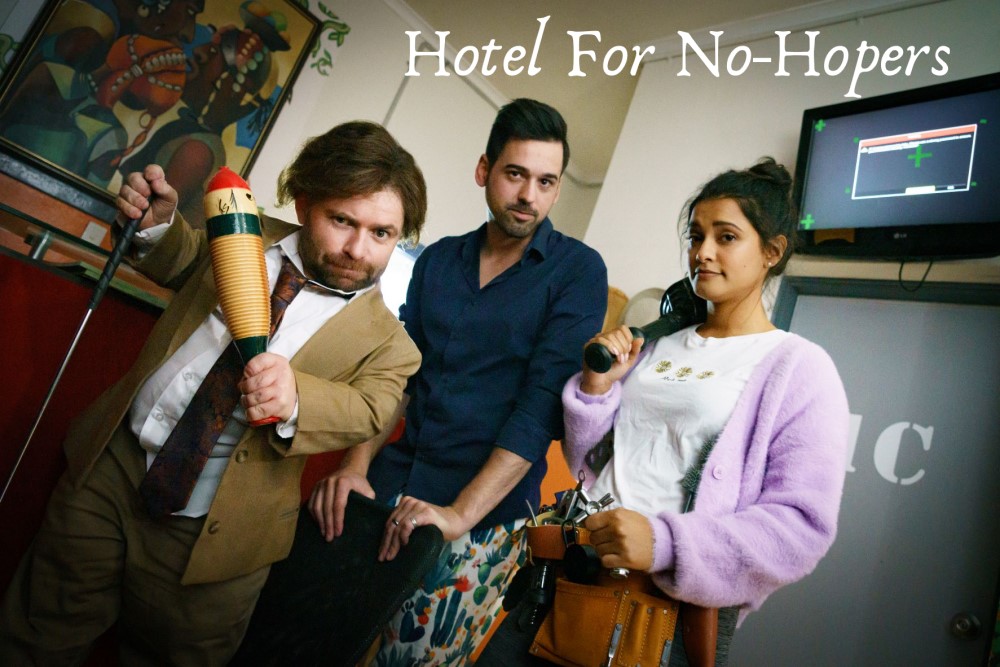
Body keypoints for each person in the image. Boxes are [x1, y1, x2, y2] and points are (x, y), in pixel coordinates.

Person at [0, 121, 426, 665]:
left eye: (382, 233)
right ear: (304, 203)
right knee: (36, 635)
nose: (357, 250)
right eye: (342, 220)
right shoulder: (243, 230)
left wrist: (297, 397)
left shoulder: (391, 344)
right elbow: (182, 260)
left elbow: (372, 409)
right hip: (111, 474)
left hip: (219, 538)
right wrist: (156, 226)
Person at [484, 158, 850, 666]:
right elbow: (592, 464)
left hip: (667, 613)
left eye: (726, 237)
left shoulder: (799, 367)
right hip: (569, 575)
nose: (703, 252)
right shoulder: (657, 344)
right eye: (696, 236)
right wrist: (596, 388)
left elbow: (799, 529)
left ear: (772, 251)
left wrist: (665, 544)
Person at [308, 98, 608, 665]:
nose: (529, 195)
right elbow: (398, 377)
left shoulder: (578, 271)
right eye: (515, 174)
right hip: (390, 486)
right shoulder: (439, 260)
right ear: (484, 170)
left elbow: (540, 408)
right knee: (321, 640)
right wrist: (355, 466)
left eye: (546, 182)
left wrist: (460, 514)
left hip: (481, 520)